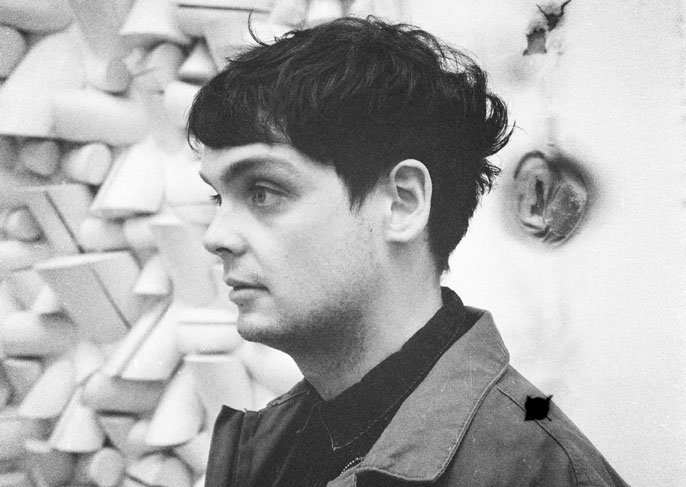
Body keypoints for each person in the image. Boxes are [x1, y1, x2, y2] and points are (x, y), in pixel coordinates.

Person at [189, 16, 629, 487]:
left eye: (262, 191)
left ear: (403, 203)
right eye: (218, 197)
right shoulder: (266, 448)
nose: (216, 236)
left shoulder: (541, 474)